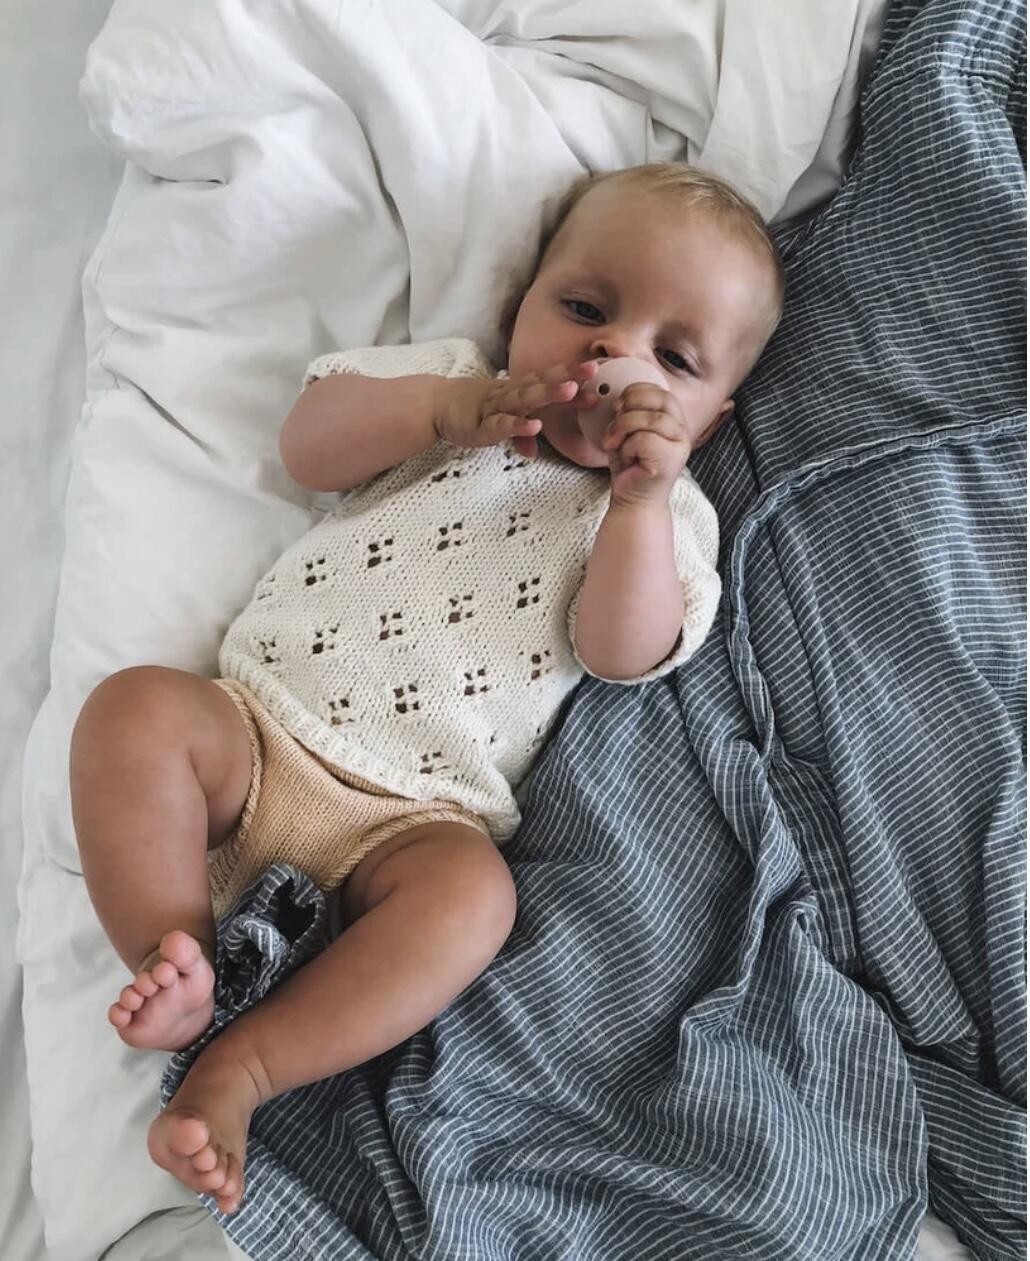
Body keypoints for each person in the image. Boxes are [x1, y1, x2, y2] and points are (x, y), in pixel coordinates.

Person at [69, 162, 785, 1215]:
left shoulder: (671, 523)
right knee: (133, 710)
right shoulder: (453, 386)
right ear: (523, 302)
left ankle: (245, 1068)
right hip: (256, 732)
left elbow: (621, 652)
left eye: (672, 359)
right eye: (584, 310)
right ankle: (174, 956)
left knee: (474, 901)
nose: (612, 356)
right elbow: (307, 445)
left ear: (711, 421)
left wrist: (639, 503)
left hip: (414, 824)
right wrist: (446, 409)